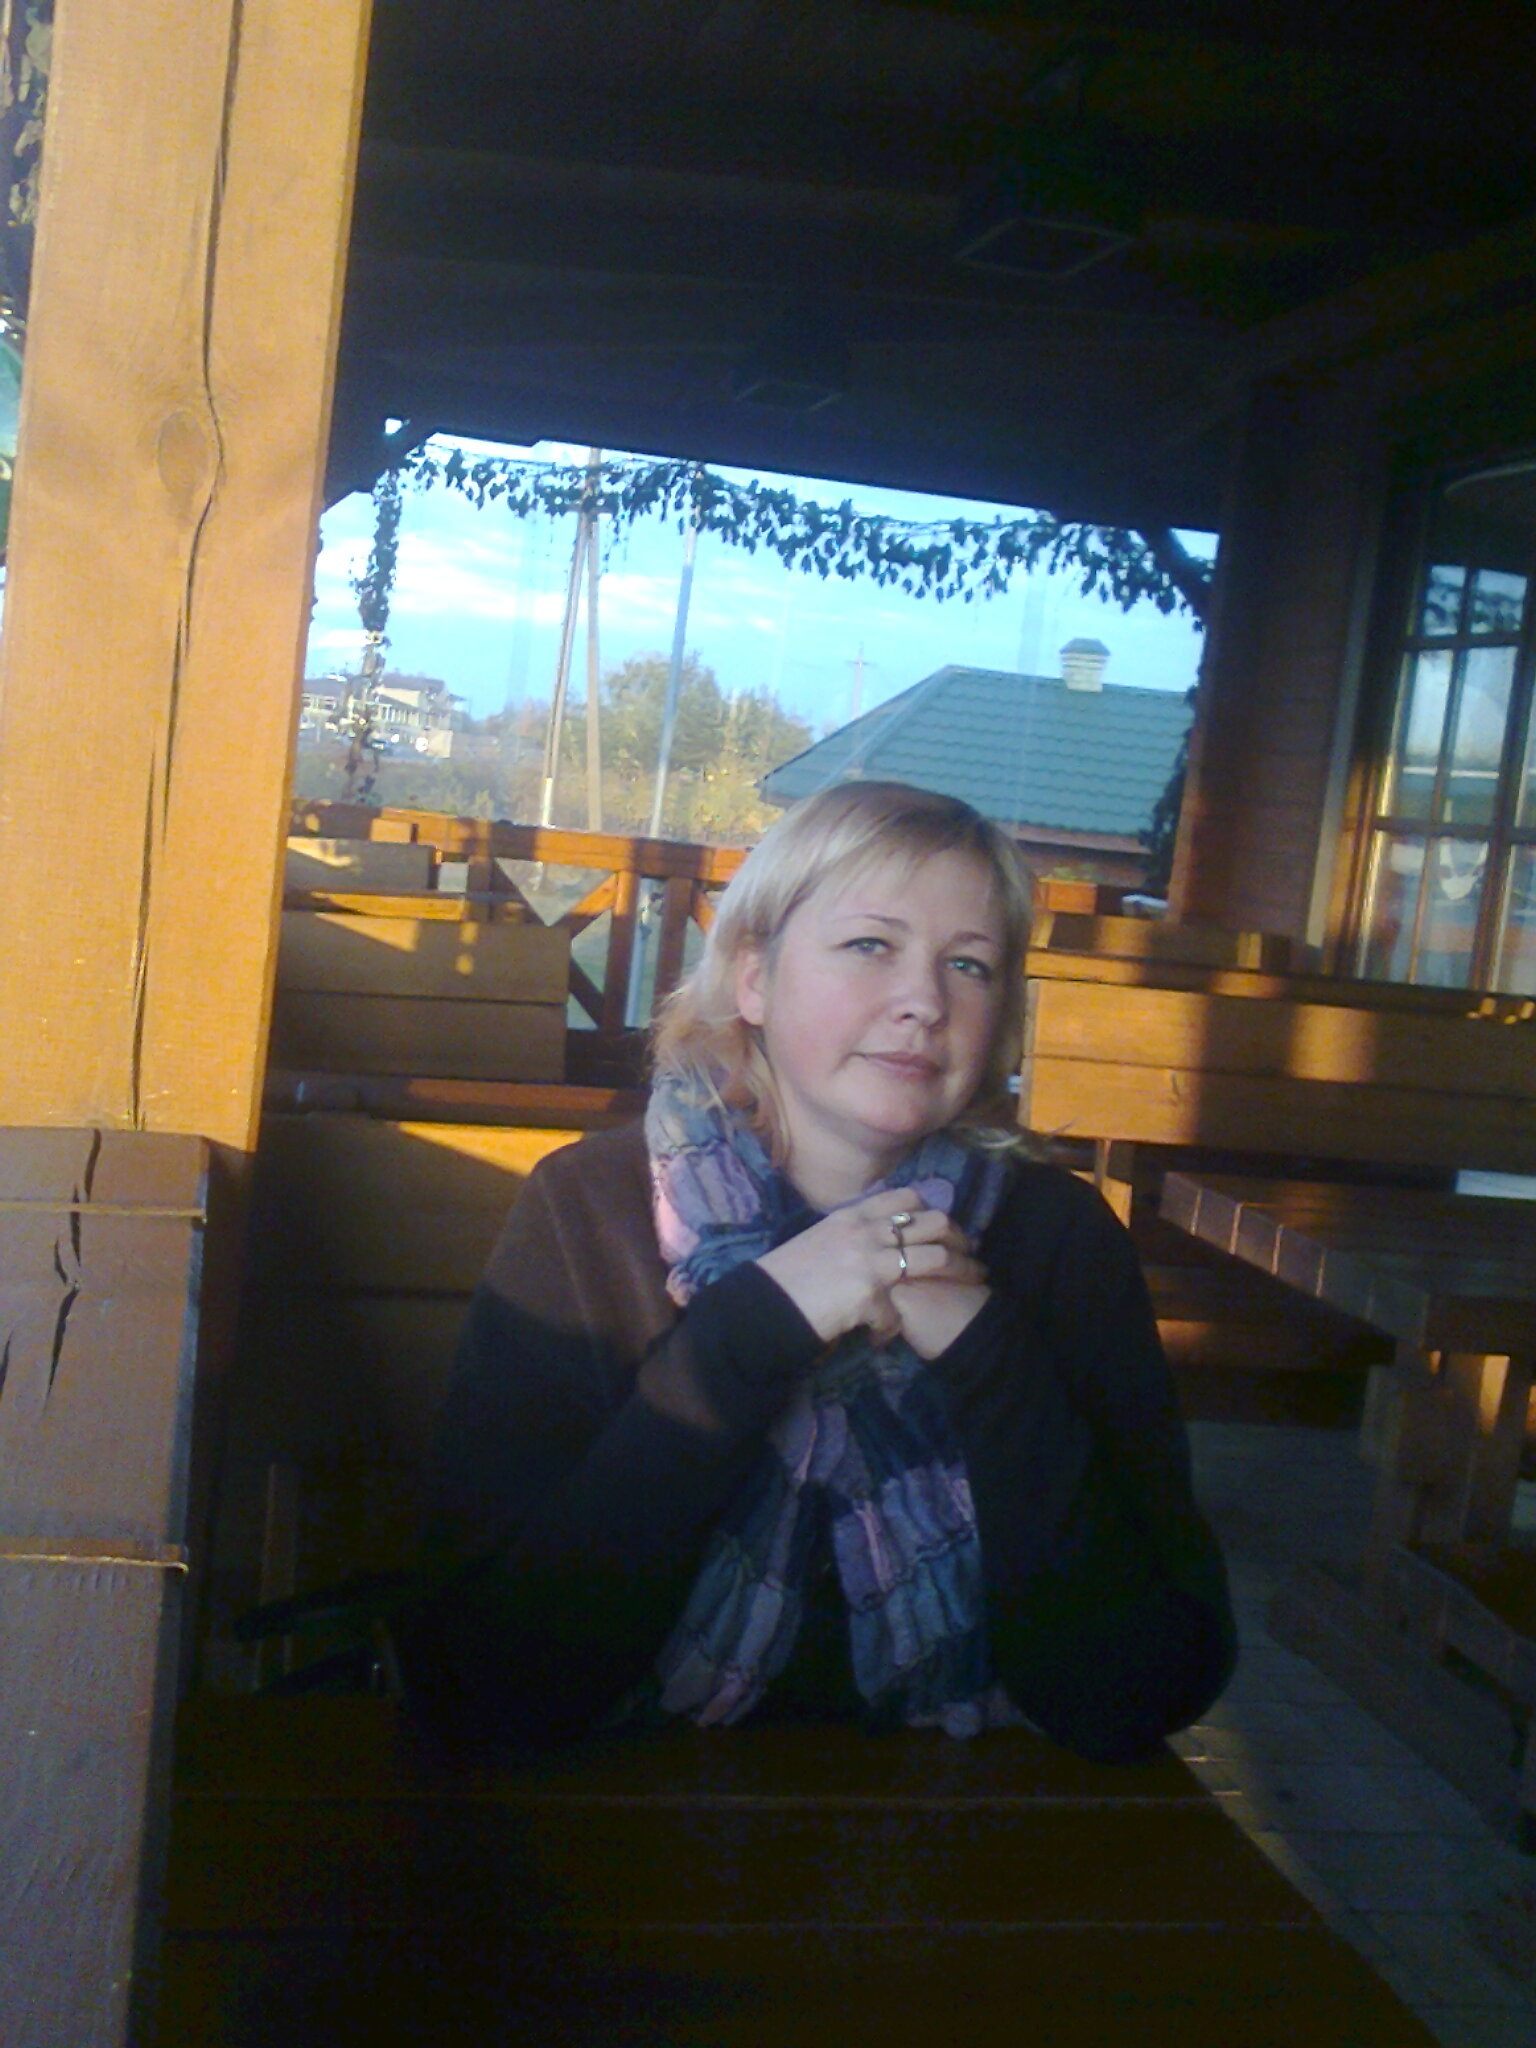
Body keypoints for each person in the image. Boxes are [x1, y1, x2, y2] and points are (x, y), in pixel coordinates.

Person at [406, 782, 1235, 1760]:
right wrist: (759, 1322)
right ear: (753, 978)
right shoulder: (590, 1209)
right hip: (619, 1798)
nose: (925, 1000)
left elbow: (1143, 1687)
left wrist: (987, 1353)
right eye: (871, 944)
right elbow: (479, 1680)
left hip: (973, 1810)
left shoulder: (1058, 1238)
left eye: (969, 964)